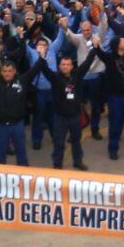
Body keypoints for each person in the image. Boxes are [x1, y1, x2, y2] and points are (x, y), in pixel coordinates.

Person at [37, 38, 100, 170]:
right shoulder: (55, 78)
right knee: (59, 143)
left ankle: (78, 161)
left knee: (76, 141)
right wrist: (41, 57)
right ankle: (57, 164)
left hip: (75, 116)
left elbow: (87, 62)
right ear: (59, 67)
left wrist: (95, 48)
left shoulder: (77, 75)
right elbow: (45, 69)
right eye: (63, 65)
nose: (65, 67)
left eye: (68, 64)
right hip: (60, 117)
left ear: (72, 66)